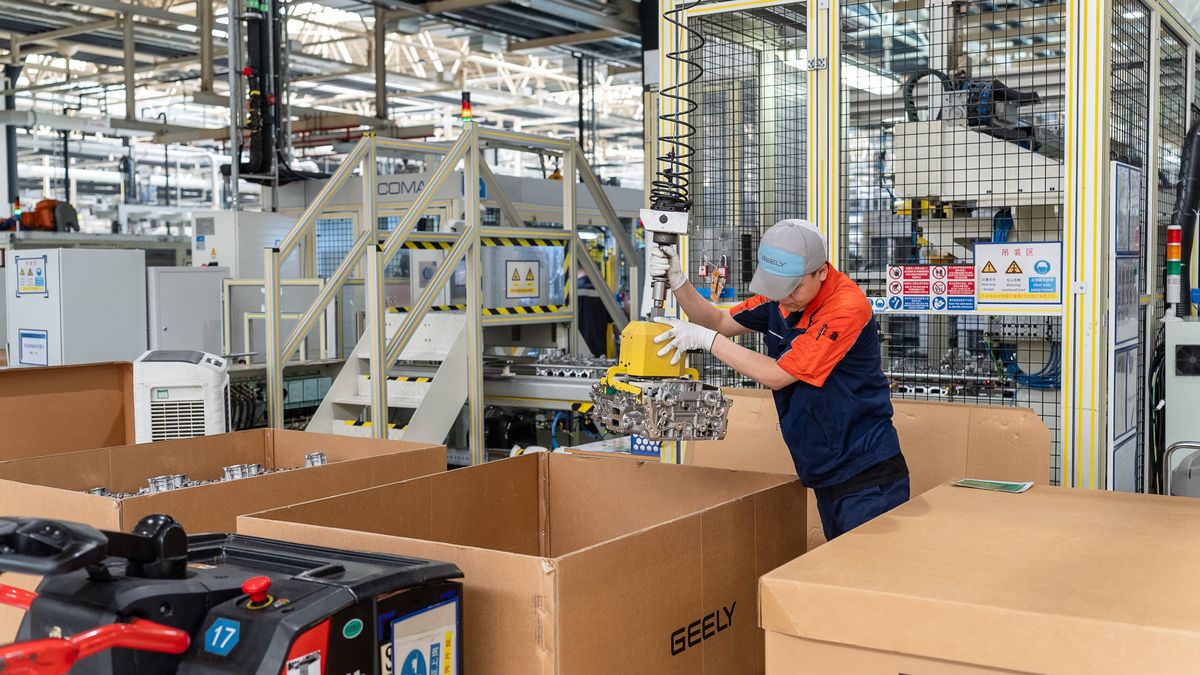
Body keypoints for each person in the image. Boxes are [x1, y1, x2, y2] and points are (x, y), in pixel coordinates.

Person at [650, 219, 908, 540]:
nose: (784, 297)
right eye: (777, 287)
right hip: (826, 471)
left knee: (863, 581)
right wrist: (679, 282)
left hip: (867, 477)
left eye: (793, 287)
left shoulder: (845, 308)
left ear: (822, 272)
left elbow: (777, 375)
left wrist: (708, 341)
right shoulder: (780, 297)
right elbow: (717, 320)